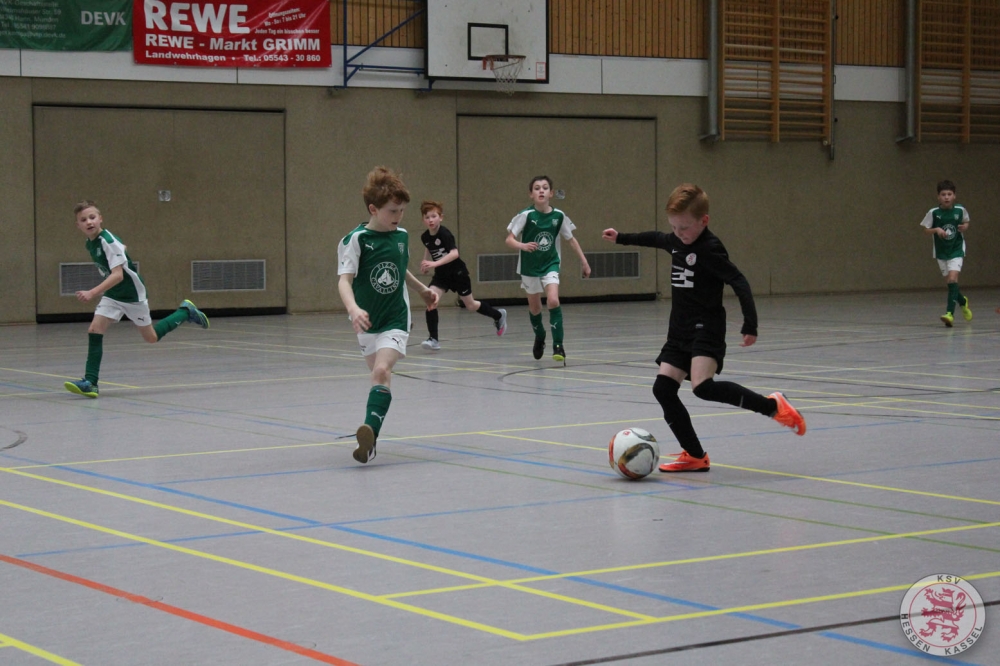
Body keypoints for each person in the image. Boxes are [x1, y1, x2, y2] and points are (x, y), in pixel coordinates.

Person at [602, 183, 805, 473]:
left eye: (684, 227)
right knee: (663, 389)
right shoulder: (676, 240)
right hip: (679, 329)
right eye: (674, 227)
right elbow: (656, 238)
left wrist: (750, 323)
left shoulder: (710, 249)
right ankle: (695, 456)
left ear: (704, 221)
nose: (678, 233)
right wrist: (621, 237)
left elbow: (739, 281)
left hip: (706, 327)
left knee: (703, 387)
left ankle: (772, 406)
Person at [337, 167, 438, 464]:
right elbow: (344, 281)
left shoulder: (402, 237)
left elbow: (400, 268)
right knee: (379, 379)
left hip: (396, 318)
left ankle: (369, 433)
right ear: (373, 209)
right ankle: (370, 439)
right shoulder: (356, 240)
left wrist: (421, 290)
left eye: (402, 210)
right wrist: (353, 309)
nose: (399, 216)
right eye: (393, 211)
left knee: (381, 371)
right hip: (367, 323)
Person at [64, 200, 210, 398]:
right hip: (113, 294)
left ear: (100, 219)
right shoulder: (91, 243)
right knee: (94, 330)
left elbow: (118, 275)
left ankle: (185, 312)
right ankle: (91, 383)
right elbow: (117, 254)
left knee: (151, 338)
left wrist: (92, 292)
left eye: (92, 217)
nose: (89, 222)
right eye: (83, 220)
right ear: (78, 225)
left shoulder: (107, 241)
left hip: (132, 294)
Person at [506, 176, 591, 363]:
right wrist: (523, 246)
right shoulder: (526, 215)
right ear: (531, 194)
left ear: (551, 193)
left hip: (550, 264)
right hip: (529, 266)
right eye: (537, 188)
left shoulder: (559, 216)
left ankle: (558, 345)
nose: (541, 191)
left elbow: (571, 240)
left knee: (553, 300)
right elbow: (509, 239)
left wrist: (584, 262)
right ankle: (540, 336)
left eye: (545, 188)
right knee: (535, 307)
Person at [418, 200, 507, 350]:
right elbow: (429, 247)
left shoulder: (445, 234)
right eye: (427, 217)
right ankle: (433, 339)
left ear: (441, 217)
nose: (431, 220)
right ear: (423, 220)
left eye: (434, 216)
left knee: (470, 305)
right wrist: (425, 262)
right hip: (442, 276)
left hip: (458, 273)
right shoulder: (425, 236)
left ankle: (498, 315)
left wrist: (434, 263)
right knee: (431, 300)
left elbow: (454, 253)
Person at [919, 180, 972, 327]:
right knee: (950, 284)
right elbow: (925, 230)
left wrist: (965, 226)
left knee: (953, 279)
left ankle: (949, 314)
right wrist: (936, 230)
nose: (946, 197)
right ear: (938, 197)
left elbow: (966, 221)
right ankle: (963, 301)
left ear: (954, 196)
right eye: (943, 194)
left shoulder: (960, 210)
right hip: (941, 252)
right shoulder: (933, 213)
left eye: (949, 194)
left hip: (956, 249)